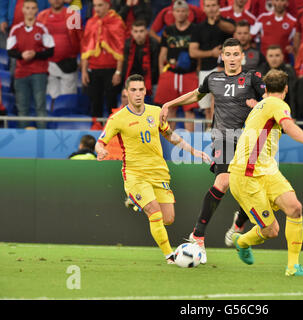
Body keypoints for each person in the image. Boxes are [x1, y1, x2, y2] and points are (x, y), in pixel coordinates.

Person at [160, 38, 266, 262]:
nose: (232, 58)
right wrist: (169, 103)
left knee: (254, 187)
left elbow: (268, 104)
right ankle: (197, 235)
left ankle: (237, 226)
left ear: (242, 57)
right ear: (223, 57)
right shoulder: (213, 78)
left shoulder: (252, 78)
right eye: (228, 54)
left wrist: (257, 106)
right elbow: (194, 95)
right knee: (224, 182)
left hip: (251, 139)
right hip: (224, 137)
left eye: (236, 54)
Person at [95, 74, 210, 264]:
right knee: (155, 214)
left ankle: (136, 202)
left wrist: (194, 151)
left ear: (146, 91)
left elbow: (170, 135)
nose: (138, 94)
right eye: (133, 90)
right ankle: (170, 256)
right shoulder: (118, 118)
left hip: (158, 172)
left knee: (168, 218)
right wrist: (101, 151)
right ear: (126, 92)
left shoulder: (156, 112)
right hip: (135, 174)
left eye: (141, 90)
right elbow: (101, 142)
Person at [228, 69, 303, 276]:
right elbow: (290, 127)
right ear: (286, 88)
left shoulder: (261, 104)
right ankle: (243, 241)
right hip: (246, 174)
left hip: (267, 170)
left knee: (295, 208)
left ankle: (293, 267)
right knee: (271, 231)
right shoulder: (278, 104)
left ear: (266, 88)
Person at [6, 0, 55, 129]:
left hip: (39, 73)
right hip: (21, 74)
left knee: (40, 106)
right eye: (27, 8)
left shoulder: (42, 28)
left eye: (33, 8)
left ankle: (43, 135)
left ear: (36, 10)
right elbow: (10, 51)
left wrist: (35, 54)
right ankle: (24, 139)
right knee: (22, 108)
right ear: (23, 9)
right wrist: (21, 55)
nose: (30, 11)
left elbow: (51, 50)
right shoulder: (16, 29)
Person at [154, 0, 199, 132]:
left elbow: (197, 52)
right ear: (173, 13)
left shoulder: (195, 29)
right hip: (171, 73)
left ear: (188, 13)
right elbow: (162, 53)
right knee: (169, 109)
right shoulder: (168, 30)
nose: (180, 14)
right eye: (177, 11)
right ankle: (168, 140)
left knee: (190, 110)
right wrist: (161, 73)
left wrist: (197, 70)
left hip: (189, 74)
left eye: (183, 11)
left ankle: (191, 142)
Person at [189, 0, 236, 125]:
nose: (211, 8)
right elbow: (193, 52)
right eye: (208, 6)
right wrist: (211, 53)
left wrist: (218, 21)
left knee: (218, 104)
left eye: (214, 5)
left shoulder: (226, 22)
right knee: (206, 108)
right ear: (203, 8)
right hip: (205, 70)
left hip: (223, 70)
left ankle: (217, 129)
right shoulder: (198, 28)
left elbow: (231, 29)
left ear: (219, 7)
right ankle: (210, 130)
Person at [81, 0, 126, 120]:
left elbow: (120, 48)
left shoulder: (116, 22)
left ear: (108, 6)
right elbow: (86, 48)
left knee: (111, 101)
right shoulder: (91, 23)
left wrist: (118, 72)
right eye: (95, 5)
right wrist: (84, 71)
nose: (96, 8)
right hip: (94, 68)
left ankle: (113, 129)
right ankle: (96, 126)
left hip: (111, 69)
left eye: (100, 5)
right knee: (95, 101)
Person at [37, 0, 82, 100]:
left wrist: (82, 58)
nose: (56, 0)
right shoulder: (41, 16)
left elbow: (81, 39)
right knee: (51, 99)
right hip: (48, 64)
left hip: (68, 64)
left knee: (68, 99)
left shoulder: (73, 15)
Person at [122, 19, 160, 102]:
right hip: (132, 80)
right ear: (131, 32)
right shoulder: (128, 44)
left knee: (156, 104)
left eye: (141, 31)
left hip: (152, 81)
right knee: (125, 99)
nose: (138, 34)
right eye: (135, 31)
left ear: (146, 31)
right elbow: (126, 66)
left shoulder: (154, 44)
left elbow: (155, 67)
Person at [257, 45, 296, 110]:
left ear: (282, 57)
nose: (274, 59)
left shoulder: (289, 71)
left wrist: (293, 114)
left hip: (285, 109)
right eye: (271, 56)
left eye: (277, 55)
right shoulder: (260, 71)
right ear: (266, 57)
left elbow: (293, 94)